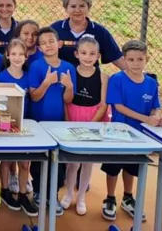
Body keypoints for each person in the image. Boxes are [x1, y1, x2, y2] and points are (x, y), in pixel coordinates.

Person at [102, 40, 162, 222]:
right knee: (113, 167)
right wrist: (147, 119)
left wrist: (156, 117)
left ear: (147, 59)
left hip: (140, 136)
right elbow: (119, 107)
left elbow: (155, 106)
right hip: (119, 133)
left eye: (140, 59)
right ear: (124, 60)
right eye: (131, 60)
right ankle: (110, 198)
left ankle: (128, 197)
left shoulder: (152, 83)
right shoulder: (117, 80)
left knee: (132, 167)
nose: (136, 63)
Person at [27, 26, 77, 216]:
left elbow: (68, 100)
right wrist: (47, 82)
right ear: (39, 48)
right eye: (43, 43)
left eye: (51, 41)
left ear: (59, 43)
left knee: (58, 160)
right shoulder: (36, 66)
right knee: (39, 160)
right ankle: (39, 192)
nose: (48, 45)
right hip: (39, 122)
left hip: (59, 123)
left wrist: (70, 86)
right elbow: (35, 96)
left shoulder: (68, 68)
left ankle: (53, 195)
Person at [59, 35, 109, 216]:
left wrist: (92, 125)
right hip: (74, 116)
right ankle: (69, 193)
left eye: (92, 54)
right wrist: (67, 120)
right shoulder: (70, 73)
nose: (88, 57)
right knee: (73, 163)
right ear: (76, 54)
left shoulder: (103, 76)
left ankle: (81, 197)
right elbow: (66, 100)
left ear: (98, 56)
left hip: (93, 120)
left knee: (87, 162)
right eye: (84, 53)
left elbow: (103, 104)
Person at [0, 39, 38, 217]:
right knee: (6, 160)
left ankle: (22, 194)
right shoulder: (1, 77)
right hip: (6, 123)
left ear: (26, 57)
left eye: (21, 54)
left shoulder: (29, 77)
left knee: (25, 162)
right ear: (7, 55)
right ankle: (5, 190)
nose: (17, 57)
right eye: (14, 54)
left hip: (25, 123)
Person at [50, 0, 125, 70]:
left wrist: (135, 75)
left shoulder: (99, 31)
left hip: (90, 79)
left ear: (88, 7)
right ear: (66, 8)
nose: (77, 10)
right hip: (62, 77)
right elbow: (42, 53)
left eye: (82, 6)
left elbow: (116, 58)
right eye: (73, 6)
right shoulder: (55, 29)